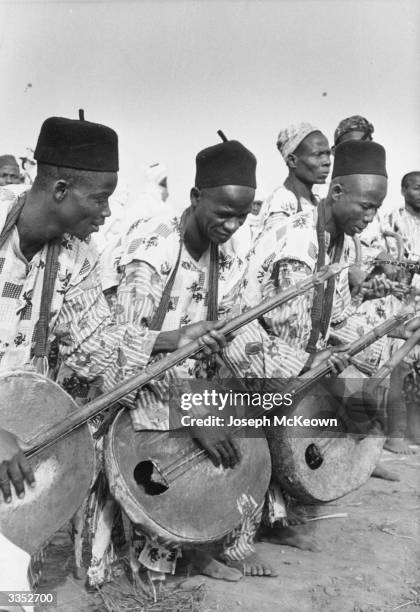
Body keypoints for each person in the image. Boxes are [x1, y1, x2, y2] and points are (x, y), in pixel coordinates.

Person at [0, 114, 227, 608]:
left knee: (14, 584)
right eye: (99, 197)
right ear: (60, 189)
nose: (107, 212)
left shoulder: (78, 256)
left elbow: (94, 344)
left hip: (13, 437)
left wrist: (171, 339)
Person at [222, 140, 420, 549]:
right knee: (252, 451)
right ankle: (230, 541)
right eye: (365, 206)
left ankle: (271, 524)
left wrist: (391, 327)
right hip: (250, 352)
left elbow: (338, 318)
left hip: (291, 355)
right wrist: (320, 361)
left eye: (377, 207)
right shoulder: (299, 243)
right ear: (336, 193)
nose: (371, 216)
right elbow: (286, 329)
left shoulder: (339, 240)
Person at [106, 134, 276, 581]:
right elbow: (124, 354)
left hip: (194, 387)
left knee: (245, 427)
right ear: (195, 197)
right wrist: (191, 413)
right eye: (223, 213)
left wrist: (277, 379)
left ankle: (211, 540)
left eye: (241, 216)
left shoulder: (232, 255)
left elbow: (236, 332)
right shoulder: (152, 250)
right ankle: (177, 547)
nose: (232, 226)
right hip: (136, 386)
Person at [380, 171, 420, 454]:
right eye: (417, 188)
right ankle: (394, 434)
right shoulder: (392, 220)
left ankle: (414, 432)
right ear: (404, 190)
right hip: (402, 301)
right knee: (399, 365)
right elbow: (389, 261)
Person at [258, 122, 331, 234]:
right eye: (318, 155)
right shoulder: (281, 201)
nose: (327, 161)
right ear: (292, 161)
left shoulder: (316, 200)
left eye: (328, 154)